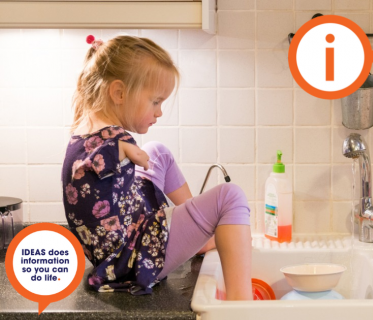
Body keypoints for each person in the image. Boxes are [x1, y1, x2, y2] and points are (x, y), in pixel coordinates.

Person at [61, 34, 252, 299]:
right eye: (155, 101)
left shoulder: (89, 130)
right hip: (132, 259)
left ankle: (200, 235)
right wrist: (118, 147)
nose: (159, 111)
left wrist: (120, 148)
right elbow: (84, 167)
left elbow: (88, 165)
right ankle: (242, 308)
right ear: (119, 93)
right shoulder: (112, 141)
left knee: (156, 151)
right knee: (231, 196)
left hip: (126, 236)